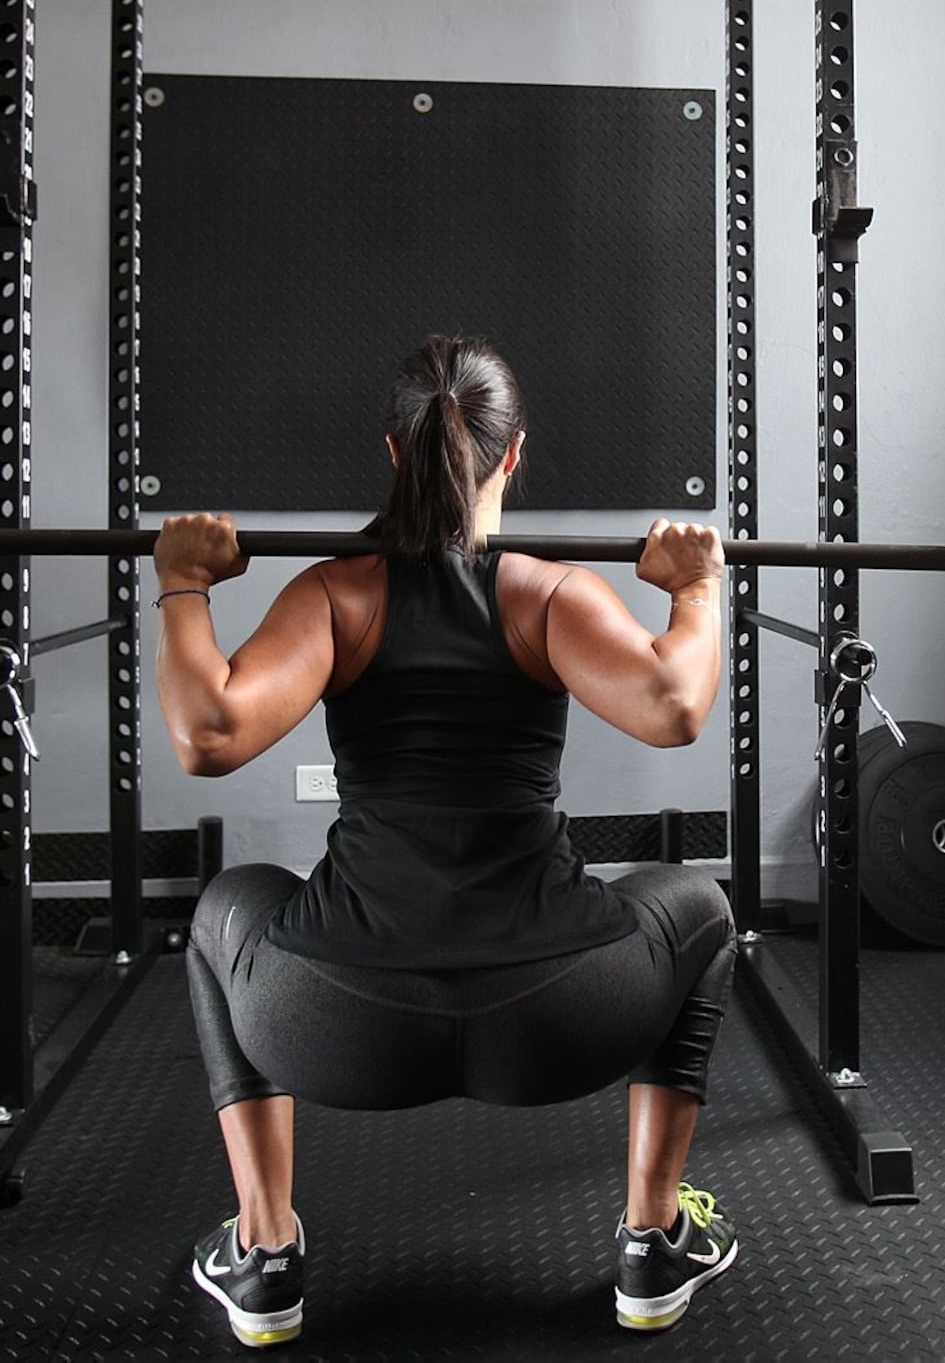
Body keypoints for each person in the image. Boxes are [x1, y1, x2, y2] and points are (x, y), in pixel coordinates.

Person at [154, 336, 739, 1349]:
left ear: (394, 451)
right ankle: (651, 1238)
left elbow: (208, 734)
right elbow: (676, 701)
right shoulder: (549, 595)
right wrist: (695, 583)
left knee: (223, 908)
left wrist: (182, 584)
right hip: (557, 1017)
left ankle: (265, 1252)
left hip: (338, 1022)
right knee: (697, 907)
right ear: (514, 457)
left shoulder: (335, 595)